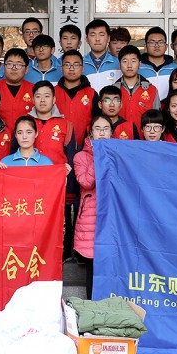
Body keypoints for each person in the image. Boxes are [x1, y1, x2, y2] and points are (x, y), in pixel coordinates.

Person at [73, 115, 113, 289]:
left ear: (111, 133)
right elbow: (86, 183)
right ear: (91, 134)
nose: (102, 132)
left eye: (106, 129)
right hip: (91, 217)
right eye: (98, 129)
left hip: (112, 215)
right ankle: (91, 303)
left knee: (111, 266)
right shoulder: (81, 157)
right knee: (93, 266)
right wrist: (98, 155)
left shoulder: (119, 153)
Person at [31, 81, 76, 168]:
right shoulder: (24, 123)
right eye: (38, 96)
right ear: (33, 100)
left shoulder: (66, 125)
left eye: (47, 96)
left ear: (54, 99)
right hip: (30, 173)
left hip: (57, 174)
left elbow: (71, 157)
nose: (42, 100)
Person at [54, 51, 96, 145]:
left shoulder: (92, 93)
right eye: (67, 65)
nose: (71, 69)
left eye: (76, 65)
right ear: (61, 68)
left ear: (82, 68)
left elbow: (97, 121)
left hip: (85, 147)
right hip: (57, 145)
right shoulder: (53, 93)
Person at [116, 45, 159, 129]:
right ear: (119, 65)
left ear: (139, 64)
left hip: (144, 137)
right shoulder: (114, 91)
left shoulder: (151, 90)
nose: (129, 65)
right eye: (125, 61)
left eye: (133, 61)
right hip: (119, 136)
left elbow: (157, 119)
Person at [0, 48, 36, 129]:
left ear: (26, 69)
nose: (14, 68)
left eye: (19, 65)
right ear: (3, 67)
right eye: (9, 64)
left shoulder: (34, 90)